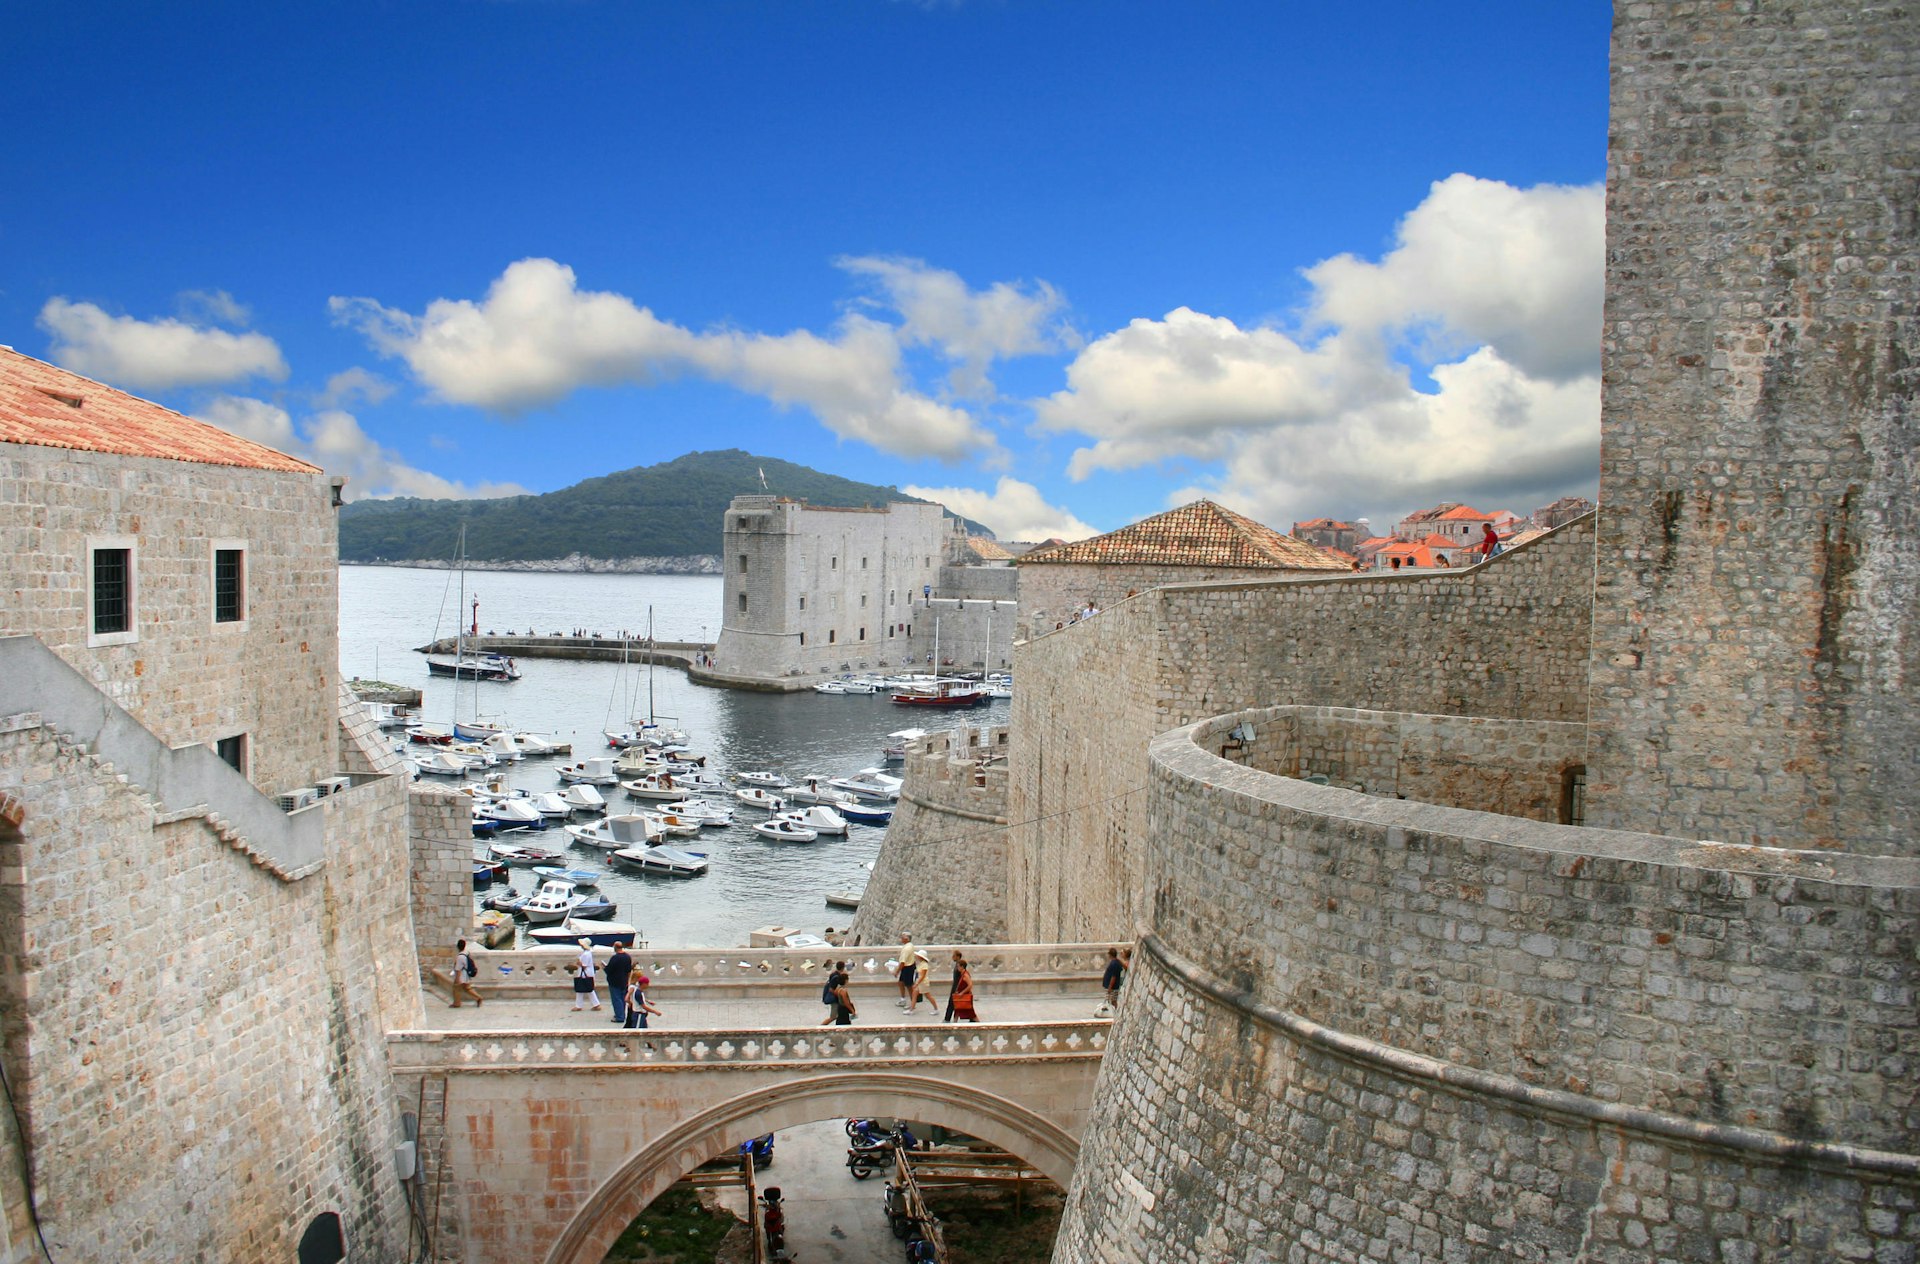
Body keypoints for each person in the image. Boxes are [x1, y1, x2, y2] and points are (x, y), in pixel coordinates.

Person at [604, 942, 634, 1025]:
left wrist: (604, 967)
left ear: (615, 947)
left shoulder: (615, 958)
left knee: (616, 999)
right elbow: (629, 970)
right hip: (624, 981)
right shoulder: (627, 957)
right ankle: (621, 1014)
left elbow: (608, 970)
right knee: (622, 998)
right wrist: (628, 980)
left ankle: (619, 1016)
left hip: (614, 981)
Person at [450, 938, 483, 1008]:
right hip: (467, 976)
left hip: (462, 976)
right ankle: (478, 997)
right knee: (467, 988)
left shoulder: (460, 957)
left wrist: (457, 979)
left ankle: (457, 1003)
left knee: (456, 989)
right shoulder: (467, 953)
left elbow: (458, 969)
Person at [946, 951, 977, 1023]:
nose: (952, 957)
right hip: (956, 988)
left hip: (958, 989)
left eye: (954, 956)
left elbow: (968, 983)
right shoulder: (958, 965)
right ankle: (953, 1021)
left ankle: (948, 1019)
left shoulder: (962, 970)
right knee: (956, 1006)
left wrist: (961, 991)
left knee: (957, 1004)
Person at [572, 938, 601, 1011]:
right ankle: (596, 1004)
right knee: (589, 989)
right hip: (588, 972)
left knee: (581, 989)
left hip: (584, 973)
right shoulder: (588, 953)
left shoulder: (585, 954)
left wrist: (578, 962)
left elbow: (583, 965)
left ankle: (579, 1005)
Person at [1098, 946, 1127, 1016]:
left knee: (1113, 1001)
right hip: (1114, 986)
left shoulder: (1114, 964)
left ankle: (1116, 1013)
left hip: (1113, 987)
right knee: (1112, 1000)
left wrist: (1110, 987)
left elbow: (1113, 976)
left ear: (1110, 955)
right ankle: (1116, 1013)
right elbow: (1125, 967)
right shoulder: (1116, 962)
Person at [894, 932, 917, 1010]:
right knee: (901, 983)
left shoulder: (907, 949)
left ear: (906, 939)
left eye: (902, 937)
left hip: (908, 968)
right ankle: (903, 999)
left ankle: (912, 1003)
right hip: (909, 967)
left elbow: (903, 962)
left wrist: (897, 972)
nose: (901, 938)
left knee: (909, 986)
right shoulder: (910, 946)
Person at [819, 961, 847, 1026]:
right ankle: (822, 1026)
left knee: (839, 1015)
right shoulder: (836, 977)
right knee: (833, 1017)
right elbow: (831, 989)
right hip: (834, 1000)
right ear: (843, 968)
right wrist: (839, 994)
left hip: (835, 999)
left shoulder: (834, 974)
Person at [910, 949, 937, 1015]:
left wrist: (916, 983)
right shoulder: (922, 964)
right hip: (921, 982)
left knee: (928, 996)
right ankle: (911, 1009)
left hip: (923, 983)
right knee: (914, 994)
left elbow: (922, 976)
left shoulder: (924, 965)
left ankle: (936, 1009)